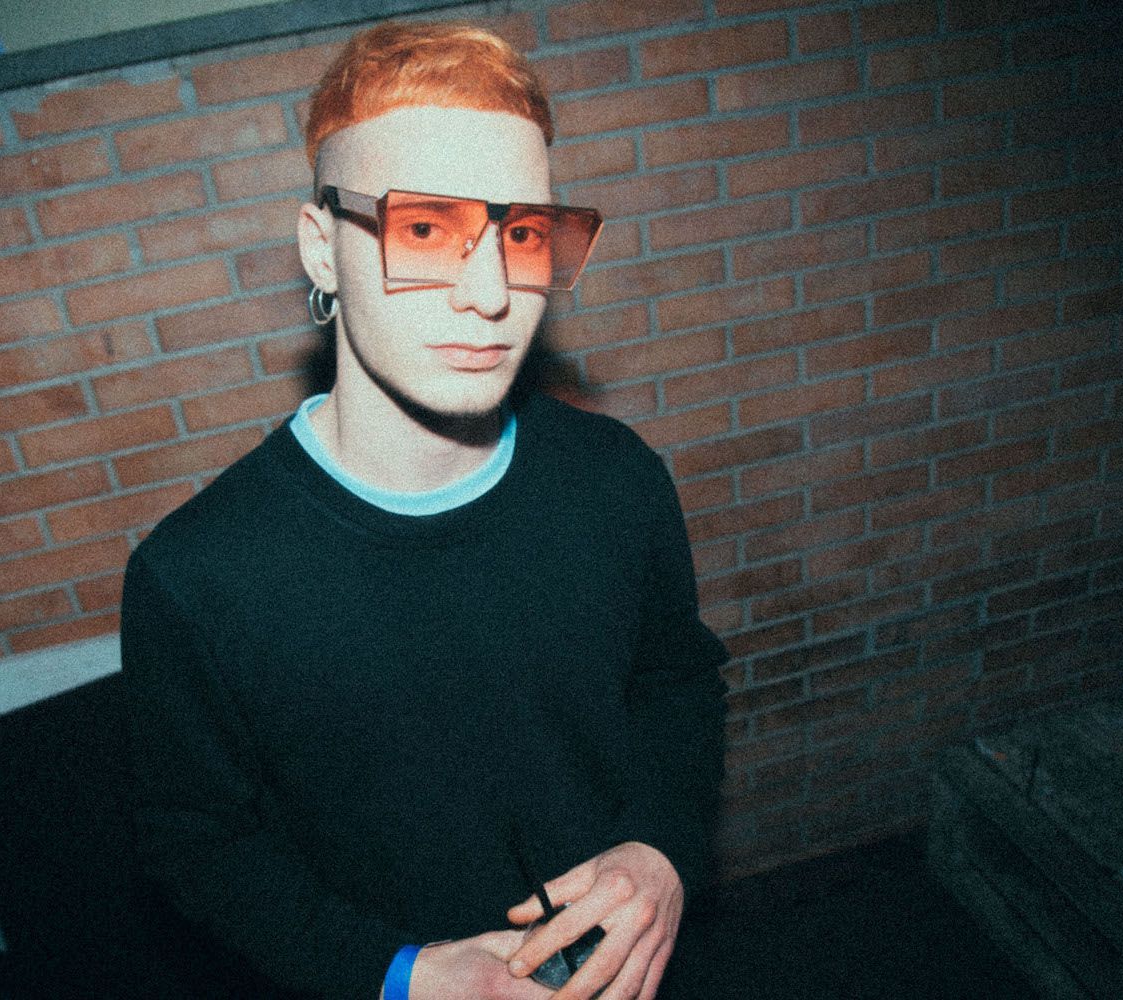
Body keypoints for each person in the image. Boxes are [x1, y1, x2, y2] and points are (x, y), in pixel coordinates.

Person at [119, 21, 729, 1000]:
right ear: (322, 250)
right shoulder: (199, 578)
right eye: (425, 230)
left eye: (522, 234)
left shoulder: (616, 479)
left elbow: (676, 685)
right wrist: (395, 974)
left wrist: (660, 850)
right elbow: (198, 844)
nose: (490, 293)